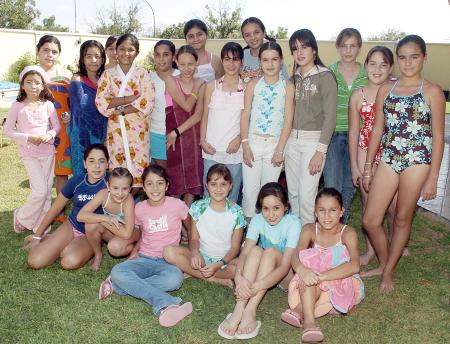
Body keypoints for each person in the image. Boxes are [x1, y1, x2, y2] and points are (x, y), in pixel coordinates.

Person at [362, 35, 445, 293]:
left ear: (424, 58)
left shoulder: (432, 91)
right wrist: (368, 165)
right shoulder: (387, 88)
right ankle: (385, 261)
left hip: (417, 161)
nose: (408, 62)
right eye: (402, 57)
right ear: (397, 59)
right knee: (371, 220)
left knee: (401, 218)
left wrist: (433, 178)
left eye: (414, 56)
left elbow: (439, 136)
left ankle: (388, 271)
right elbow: (377, 129)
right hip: (389, 157)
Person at [98, 164, 193, 328]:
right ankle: (167, 303)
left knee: (175, 280)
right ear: (143, 186)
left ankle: (119, 286)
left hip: (168, 262)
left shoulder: (177, 205)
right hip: (144, 257)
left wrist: (192, 253)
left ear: (167, 185)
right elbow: (142, 233)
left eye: (160, 183)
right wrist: (134, 252)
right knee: (117, 271)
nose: (155, 188)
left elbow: (191, 228)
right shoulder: (140, 208)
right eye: (150, 183)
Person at [218, 182, 301, 340]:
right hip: (264, 271)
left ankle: (251, 309)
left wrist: (258, 285)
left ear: (286, 207)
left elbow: (284, 266)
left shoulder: (293, 223)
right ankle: (239, 307)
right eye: (265, 209)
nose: (271, 214)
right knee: (255, 250)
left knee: (269, 251)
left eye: (276, 208)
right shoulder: (257, 220)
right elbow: (245, 252)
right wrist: (239, 278)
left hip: (286, 277)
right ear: (260, 208)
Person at [284, 188, 364, 343]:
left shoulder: (348, 232)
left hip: (339, 280)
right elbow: (296, 254)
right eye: (322, 210)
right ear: (315, 212)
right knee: (308, 264)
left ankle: (300, 309)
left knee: (315, 274)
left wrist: (322, 276)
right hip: (312, 281)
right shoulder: (309, 229)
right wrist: (302, 270)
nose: (327, 216)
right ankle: (309, 323)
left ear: (341, 211)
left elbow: (355, 265)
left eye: (333, 210)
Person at [25, 144, 111, 270]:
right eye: (91, 161)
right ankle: (50, 239)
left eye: (101, 161)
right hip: (72, 226)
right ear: (85, 164)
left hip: (91, 233)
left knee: (69, 261)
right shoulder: (76, 181)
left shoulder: (112, 182)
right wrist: (37, 236)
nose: (97, 166)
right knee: (35, 261)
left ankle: (87, 245)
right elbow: (55, 208)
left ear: (108, 164)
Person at [348, 46, 396, 265]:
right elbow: (353, 132)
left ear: (390, 68)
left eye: (383, 64)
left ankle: (396, 243)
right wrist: (355, 167)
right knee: (368, 203)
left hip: (391, 153)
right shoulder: (357, 96)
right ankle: (371, 250)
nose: (377, 69)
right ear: (365, 65)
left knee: (394, 205)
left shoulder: (396, 92)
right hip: (364, 152)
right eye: (373, 63)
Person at [284, 29, 337, 225]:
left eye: (304, 46)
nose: (300, 52)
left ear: (314, 49)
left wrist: (320, 152)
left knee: (307, 196)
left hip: (313, 144)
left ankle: (309, 241)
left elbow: (330, 117)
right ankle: (297, 239)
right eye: (295, 49)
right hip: (292, 143)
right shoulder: (293, 79)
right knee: (294, 194)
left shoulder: (325, 77)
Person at [164, 164, 246, 287]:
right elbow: (194, 238)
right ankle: (213, 279)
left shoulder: (237, 212)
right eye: (214, 184)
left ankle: (194, 272)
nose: (218, 189)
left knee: (240, 267)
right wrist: (195, 253)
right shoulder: (198, 207)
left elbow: (235, 248)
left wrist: (219, 263)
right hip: (201, 258)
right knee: (168, 252)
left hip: (225, 262)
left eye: (223, 184)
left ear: (230, 186)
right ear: (207, 186)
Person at [240, 41, 295, 219]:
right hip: (253, 143)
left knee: (269, 193)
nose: (270, 64)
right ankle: (249, 234)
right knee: (249, 192)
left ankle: (267, 235)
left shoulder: (287, 87)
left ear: (281, 61)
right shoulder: (253, 85)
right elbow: (245, 115)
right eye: (265, 60)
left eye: (274, 59)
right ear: (259, 61)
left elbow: (288, 121)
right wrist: (245, 145)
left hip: (274, 145)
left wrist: (280, 150)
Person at [5, 65, 60, 234]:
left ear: (43, 85)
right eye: (29, 82)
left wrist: (49, 135)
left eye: (37, 82)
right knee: (40, 191)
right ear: (22, 85)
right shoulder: (17, 106)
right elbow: (8, 131)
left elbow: (56, 127)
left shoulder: (48, 105)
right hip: (29, 154)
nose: (33, 86)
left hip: (48, 153)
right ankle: (21, 217)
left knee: (47, 191)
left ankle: (41, 226)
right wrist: (29, 138)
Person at [96, 33, 155, 189]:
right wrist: (129, 99)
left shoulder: (143, 74)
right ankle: (119, 206)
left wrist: (118, 108)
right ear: (116, 51)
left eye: (130, 49)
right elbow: (101, 102)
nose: (126, 53)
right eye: (122, 49)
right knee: (117, 168)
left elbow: (147, 101)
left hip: (138, 129)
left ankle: (134, 206)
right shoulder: (108, 74)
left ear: (137, 52)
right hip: (115, 130)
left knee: (139, 168)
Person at [323, 28, 368, 223]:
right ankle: (329, 222)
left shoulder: (368, 73)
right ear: (338, 47)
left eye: (352, 46)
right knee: (333, 182)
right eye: (344, 46)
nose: (348, 51)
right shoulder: (329, 72)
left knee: (352, 181)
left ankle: (342, 220)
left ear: (359, 48)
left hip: (359, 137)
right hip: (333, 134)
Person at [200, 42, 245, 202]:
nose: (231, 64)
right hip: (211, 149)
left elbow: (248, 119)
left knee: (231, 197)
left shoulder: (246, 88)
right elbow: (205, 115)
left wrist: (239, 139)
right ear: (222, 61)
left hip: (234, 150)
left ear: (241, 62)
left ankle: (233, 228)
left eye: (235, 59)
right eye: (227, 59)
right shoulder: (211, 86)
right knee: (209, 196)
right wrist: (202, 141)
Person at [164, 45, 206, 208]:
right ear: (176, 62)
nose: (186, 69)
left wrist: (177, 132)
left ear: (197, 63)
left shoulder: (202, 84)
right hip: (174, 137)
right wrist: (174, 132)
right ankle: (175, 221)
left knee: (192, 179)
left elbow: (198, 115)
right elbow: (187, 106)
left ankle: (185, 216)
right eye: (182, 64)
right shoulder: (171, 80)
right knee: (175, 177)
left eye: (190, 64)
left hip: (192, 136)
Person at [77, 167, 140, 271]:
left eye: (125, 189)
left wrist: (103, 220)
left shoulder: (128, 200)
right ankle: (98, 254)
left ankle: (135, 247)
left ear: (130, 189)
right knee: (90, 225)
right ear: (108, 186)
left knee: (114, 248)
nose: (120, 193)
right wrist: (106, 218)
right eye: (115, 188)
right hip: (115, 230)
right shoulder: (103, 194)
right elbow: (80, 216)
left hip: (132, 231)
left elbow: (127, 233)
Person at [36, 35, 72, 205]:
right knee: (42, 170)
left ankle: (59, 209)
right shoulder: (31, 74)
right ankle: (41, 207)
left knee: (61, 171)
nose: (50, 54)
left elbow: (73, 101)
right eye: (45, 50)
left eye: (54, 51)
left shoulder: (66, 74)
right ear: (38, 52)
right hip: (38, 129)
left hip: (61, 129)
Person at [69, 40, 108, 176]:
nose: (93, 60)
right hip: (81, 135)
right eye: (88, 56)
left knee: (100, 171)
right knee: (82, 173)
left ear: (103, 59)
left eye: (97, 56)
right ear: (82, 59)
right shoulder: (77, 80)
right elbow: (80, 109)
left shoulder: (106, 79)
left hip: (102, 133)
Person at [150, 40, 180, 169]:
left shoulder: (182, 76)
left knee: (178, 173)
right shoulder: (148, 78)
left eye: (166, 54)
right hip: (156, 133)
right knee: (163, 174)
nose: (161, 59)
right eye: (157, 55)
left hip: (179, 133)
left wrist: (178, 131)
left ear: (173, 57)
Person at [240, 17, 289, 83]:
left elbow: (286, 82)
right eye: (247, 35)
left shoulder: (273, 54)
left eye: (256, 32)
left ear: (264, 33)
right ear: (244, 38)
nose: (253, 37)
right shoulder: (241, 55)